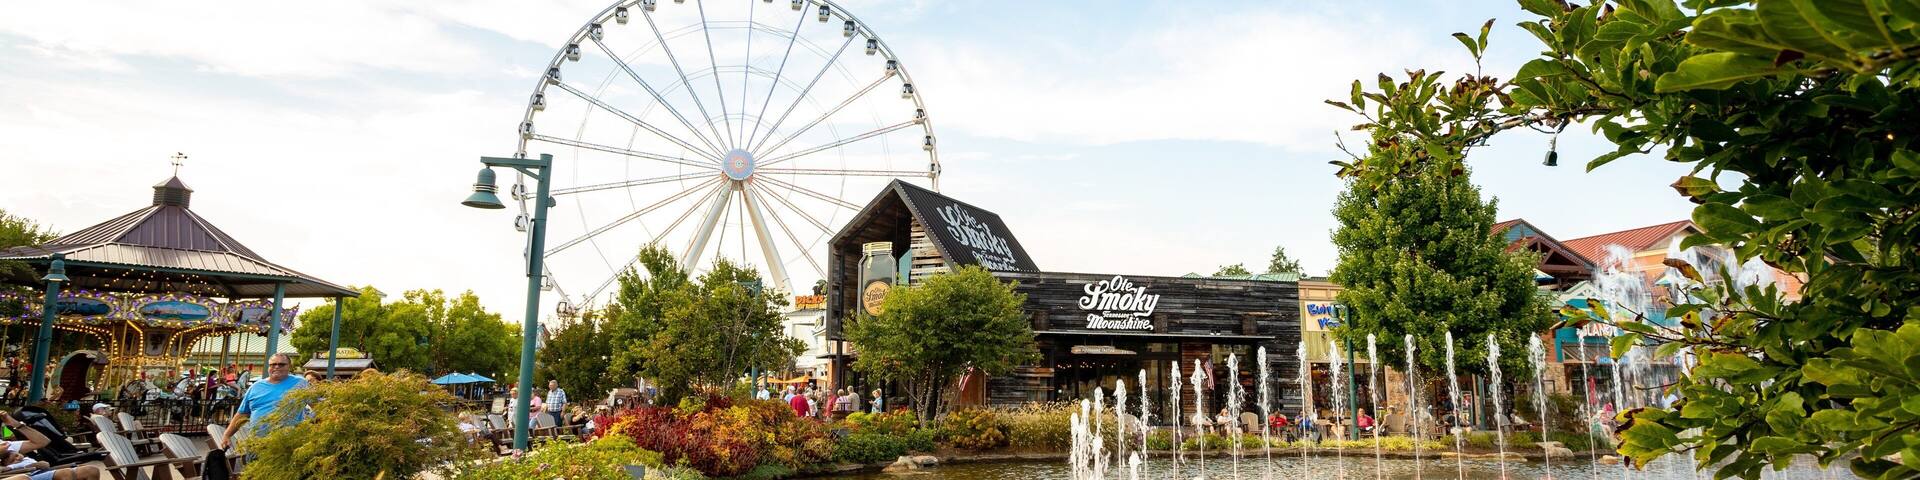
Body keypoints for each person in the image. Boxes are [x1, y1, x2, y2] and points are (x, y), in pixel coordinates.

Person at [221, 353, 310, 449]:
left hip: (287, 445)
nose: (276, 367)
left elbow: (319, 406)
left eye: (281, 364)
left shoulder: (301, 383)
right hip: (256, 444)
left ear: (289, 367)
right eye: (273, 364)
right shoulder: (256, 386)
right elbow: (242, 414)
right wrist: (227, 434)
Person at [1, 411, 101, 480]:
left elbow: (42, 442)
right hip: (19, 475)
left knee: (91, 471)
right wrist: (21, 467)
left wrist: (14, 423)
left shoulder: (3, 444)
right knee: (23, 478)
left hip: (34, 472)